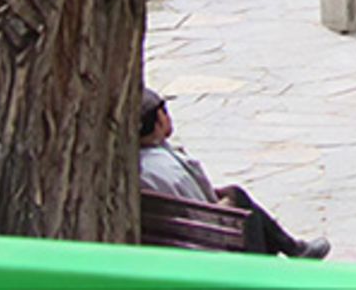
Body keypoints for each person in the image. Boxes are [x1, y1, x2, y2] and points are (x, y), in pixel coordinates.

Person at [139, 88, 330, 259]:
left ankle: (293, 250)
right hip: (207, 248)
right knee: (241, 205)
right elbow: (202, 210)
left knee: (235, 196)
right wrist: (225, 203)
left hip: (181, 242)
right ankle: (290, 253)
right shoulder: (171, 166)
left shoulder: (142, 165)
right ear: (159, 119)